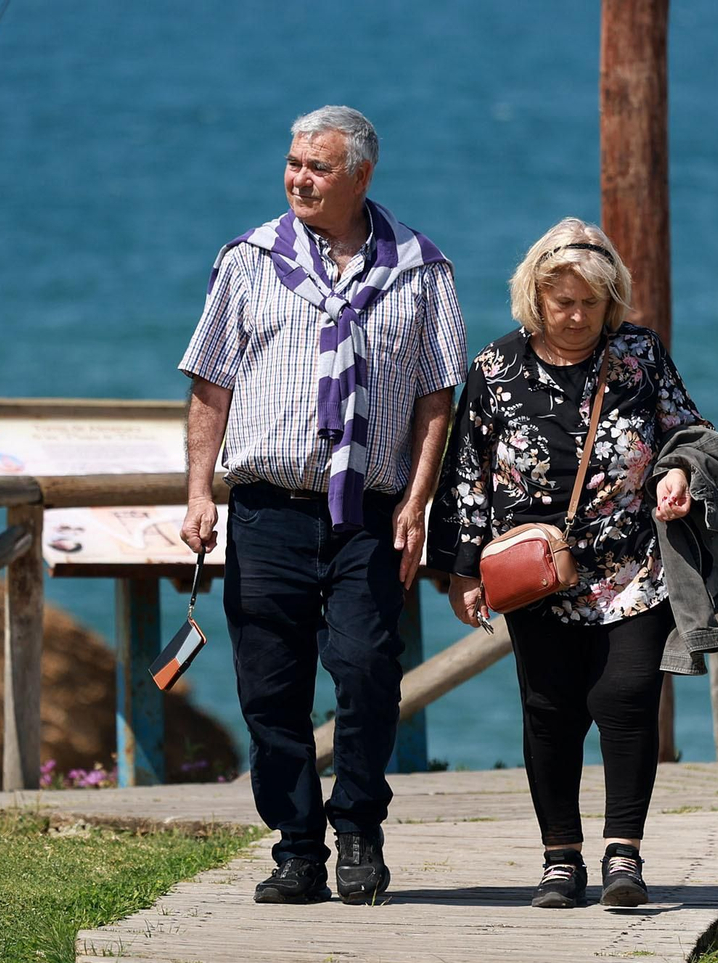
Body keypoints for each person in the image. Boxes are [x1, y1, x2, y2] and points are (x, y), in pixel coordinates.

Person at [178, 106, 466, 905]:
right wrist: (200, 490)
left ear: (361, 175)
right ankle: (297, 845)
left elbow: (437, 397)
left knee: (370, 669)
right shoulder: (248, 260)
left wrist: (418, 502)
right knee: (270, 686)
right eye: (294, 163)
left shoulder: (422, 269)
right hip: (267, 507)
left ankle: (360, 832)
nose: (299, 178)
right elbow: (210, 384)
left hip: (367, 513)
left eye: (318, 167)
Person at [428, 217, 715, 909]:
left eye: (590, 302)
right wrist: (462, 570)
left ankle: (625, 855)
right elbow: (466, 472)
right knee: (549, 709)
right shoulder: (495, 368)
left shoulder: (640, 356)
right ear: (536, 297)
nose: (577, 315)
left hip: (631, 569)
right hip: (536, 575)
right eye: (563, 302)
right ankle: (561, 857)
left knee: (626, 698)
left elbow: (689, 431)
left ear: (609, 300)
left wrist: (677, 471)